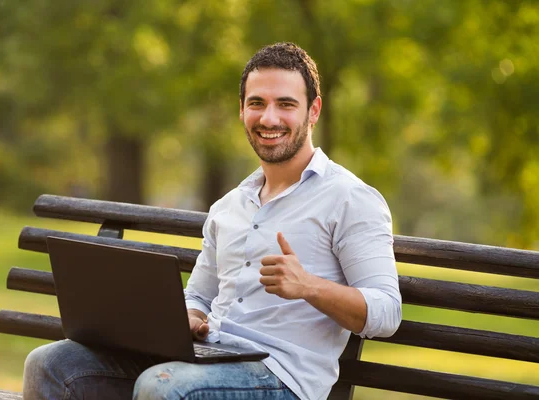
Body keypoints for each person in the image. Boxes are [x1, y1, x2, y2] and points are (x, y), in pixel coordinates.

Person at [23, 42, 401, 400]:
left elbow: (386, 312)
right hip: (207, 357)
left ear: (313, 110)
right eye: (257, 103)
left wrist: (309, 287)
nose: (269, 118)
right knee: (51, 364)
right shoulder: (229, 206)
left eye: (286, 104)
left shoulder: (350, 198)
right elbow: (199, 295)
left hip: (280, 377)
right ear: (241, 109)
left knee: (164, 388)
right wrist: (189, 315)